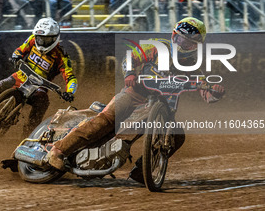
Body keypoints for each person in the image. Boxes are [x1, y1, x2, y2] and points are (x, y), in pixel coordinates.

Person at [45, 17, 225, 183]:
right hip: (134, 94)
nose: (182, 44)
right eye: (180, 39)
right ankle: (58, 150)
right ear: (173, 36)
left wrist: (214, 92)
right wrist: (130, 73)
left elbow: (206, 92)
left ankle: (142, 170)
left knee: (177, 137)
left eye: (188, 42)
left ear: (196, 46)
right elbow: (130, 58)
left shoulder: (193, 65)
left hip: (163, 107)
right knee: (108, 119)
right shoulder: (157, 47)